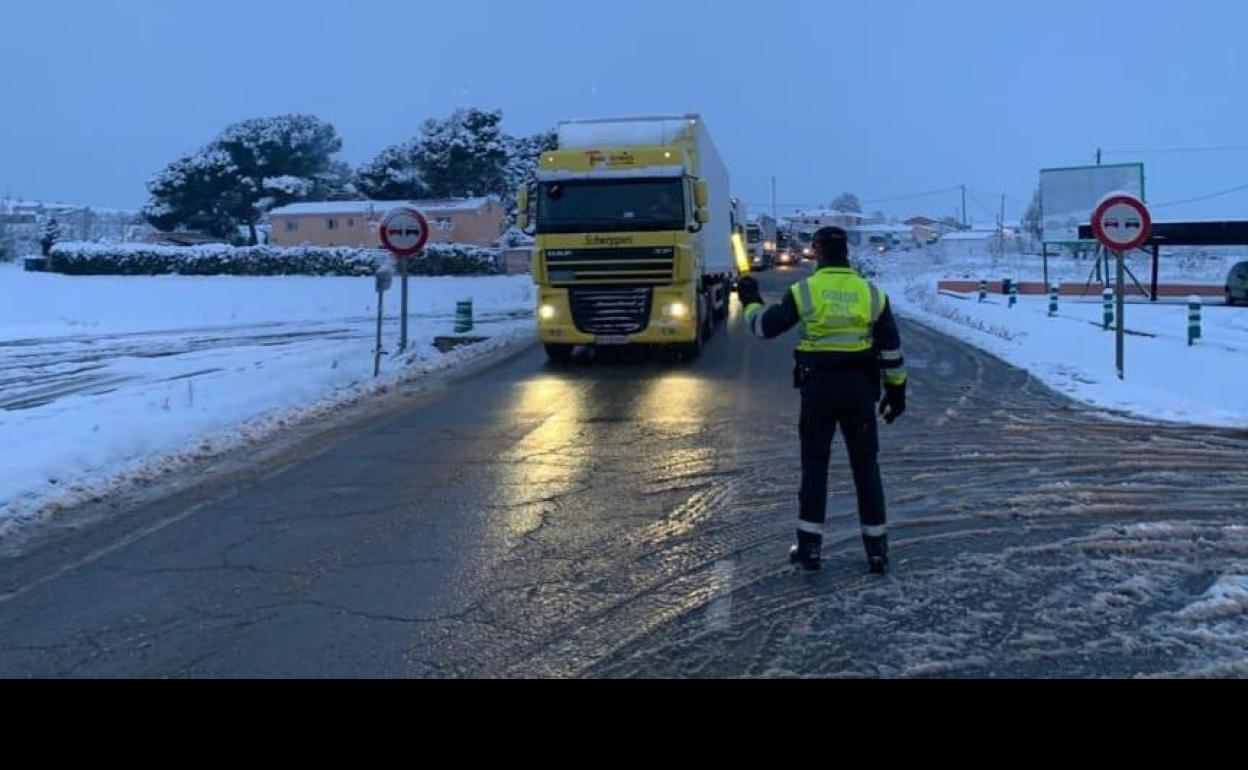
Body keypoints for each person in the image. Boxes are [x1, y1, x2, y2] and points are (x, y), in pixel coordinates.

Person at [736, 227, 907, 574]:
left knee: (815, 466)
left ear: (816, 253)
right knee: (865, 467)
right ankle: (876, 551)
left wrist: (750, 298)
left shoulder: (806, 291)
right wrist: (896, 391)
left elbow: (763, 328)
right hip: (860, 390)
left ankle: (810, 549)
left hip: (819, 390)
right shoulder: (871, 293)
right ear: (847, 254)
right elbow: (891, 349)